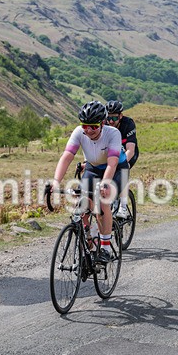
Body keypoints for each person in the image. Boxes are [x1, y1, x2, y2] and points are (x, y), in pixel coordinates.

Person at [50, 101, 126, 262]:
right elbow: (67, 157)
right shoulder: (79, 132)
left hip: (117, 168)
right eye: (85, 126)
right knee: (82, 198)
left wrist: (105, 183)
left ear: (102, 123)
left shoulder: (112, 134)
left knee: (102, 201)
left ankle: (105, 248)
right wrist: (56, 181)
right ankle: (90, 233)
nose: (89, 130)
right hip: (93, 167)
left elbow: (112, 163)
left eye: (93, 126)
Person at [104, 100, 138, 218]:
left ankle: (123, 207)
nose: (111, 122)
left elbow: (131, 150)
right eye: (109, 118)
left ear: (121, 116)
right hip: (112, 153)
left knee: (123, 170)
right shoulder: (105, 124)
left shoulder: (128, 124)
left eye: (114, 118)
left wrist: (121, 163)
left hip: (128, 153)